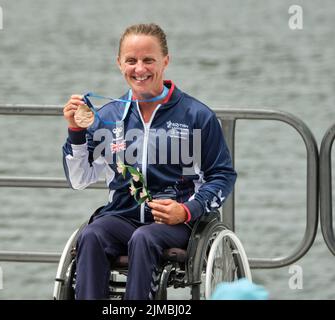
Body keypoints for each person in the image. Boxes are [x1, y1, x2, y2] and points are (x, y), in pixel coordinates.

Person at [62, 23, 237, 300]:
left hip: (178, 224)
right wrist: (76, 132)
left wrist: (187, 210)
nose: (139, 69)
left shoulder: (196, 116)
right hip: (122, 216)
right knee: (92, 235)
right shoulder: (109, 116)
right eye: (131, 60)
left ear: (165, 61)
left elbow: (222, 176)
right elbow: (79, 178)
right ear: (119, 63)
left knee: (144, 238)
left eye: (148, 60)